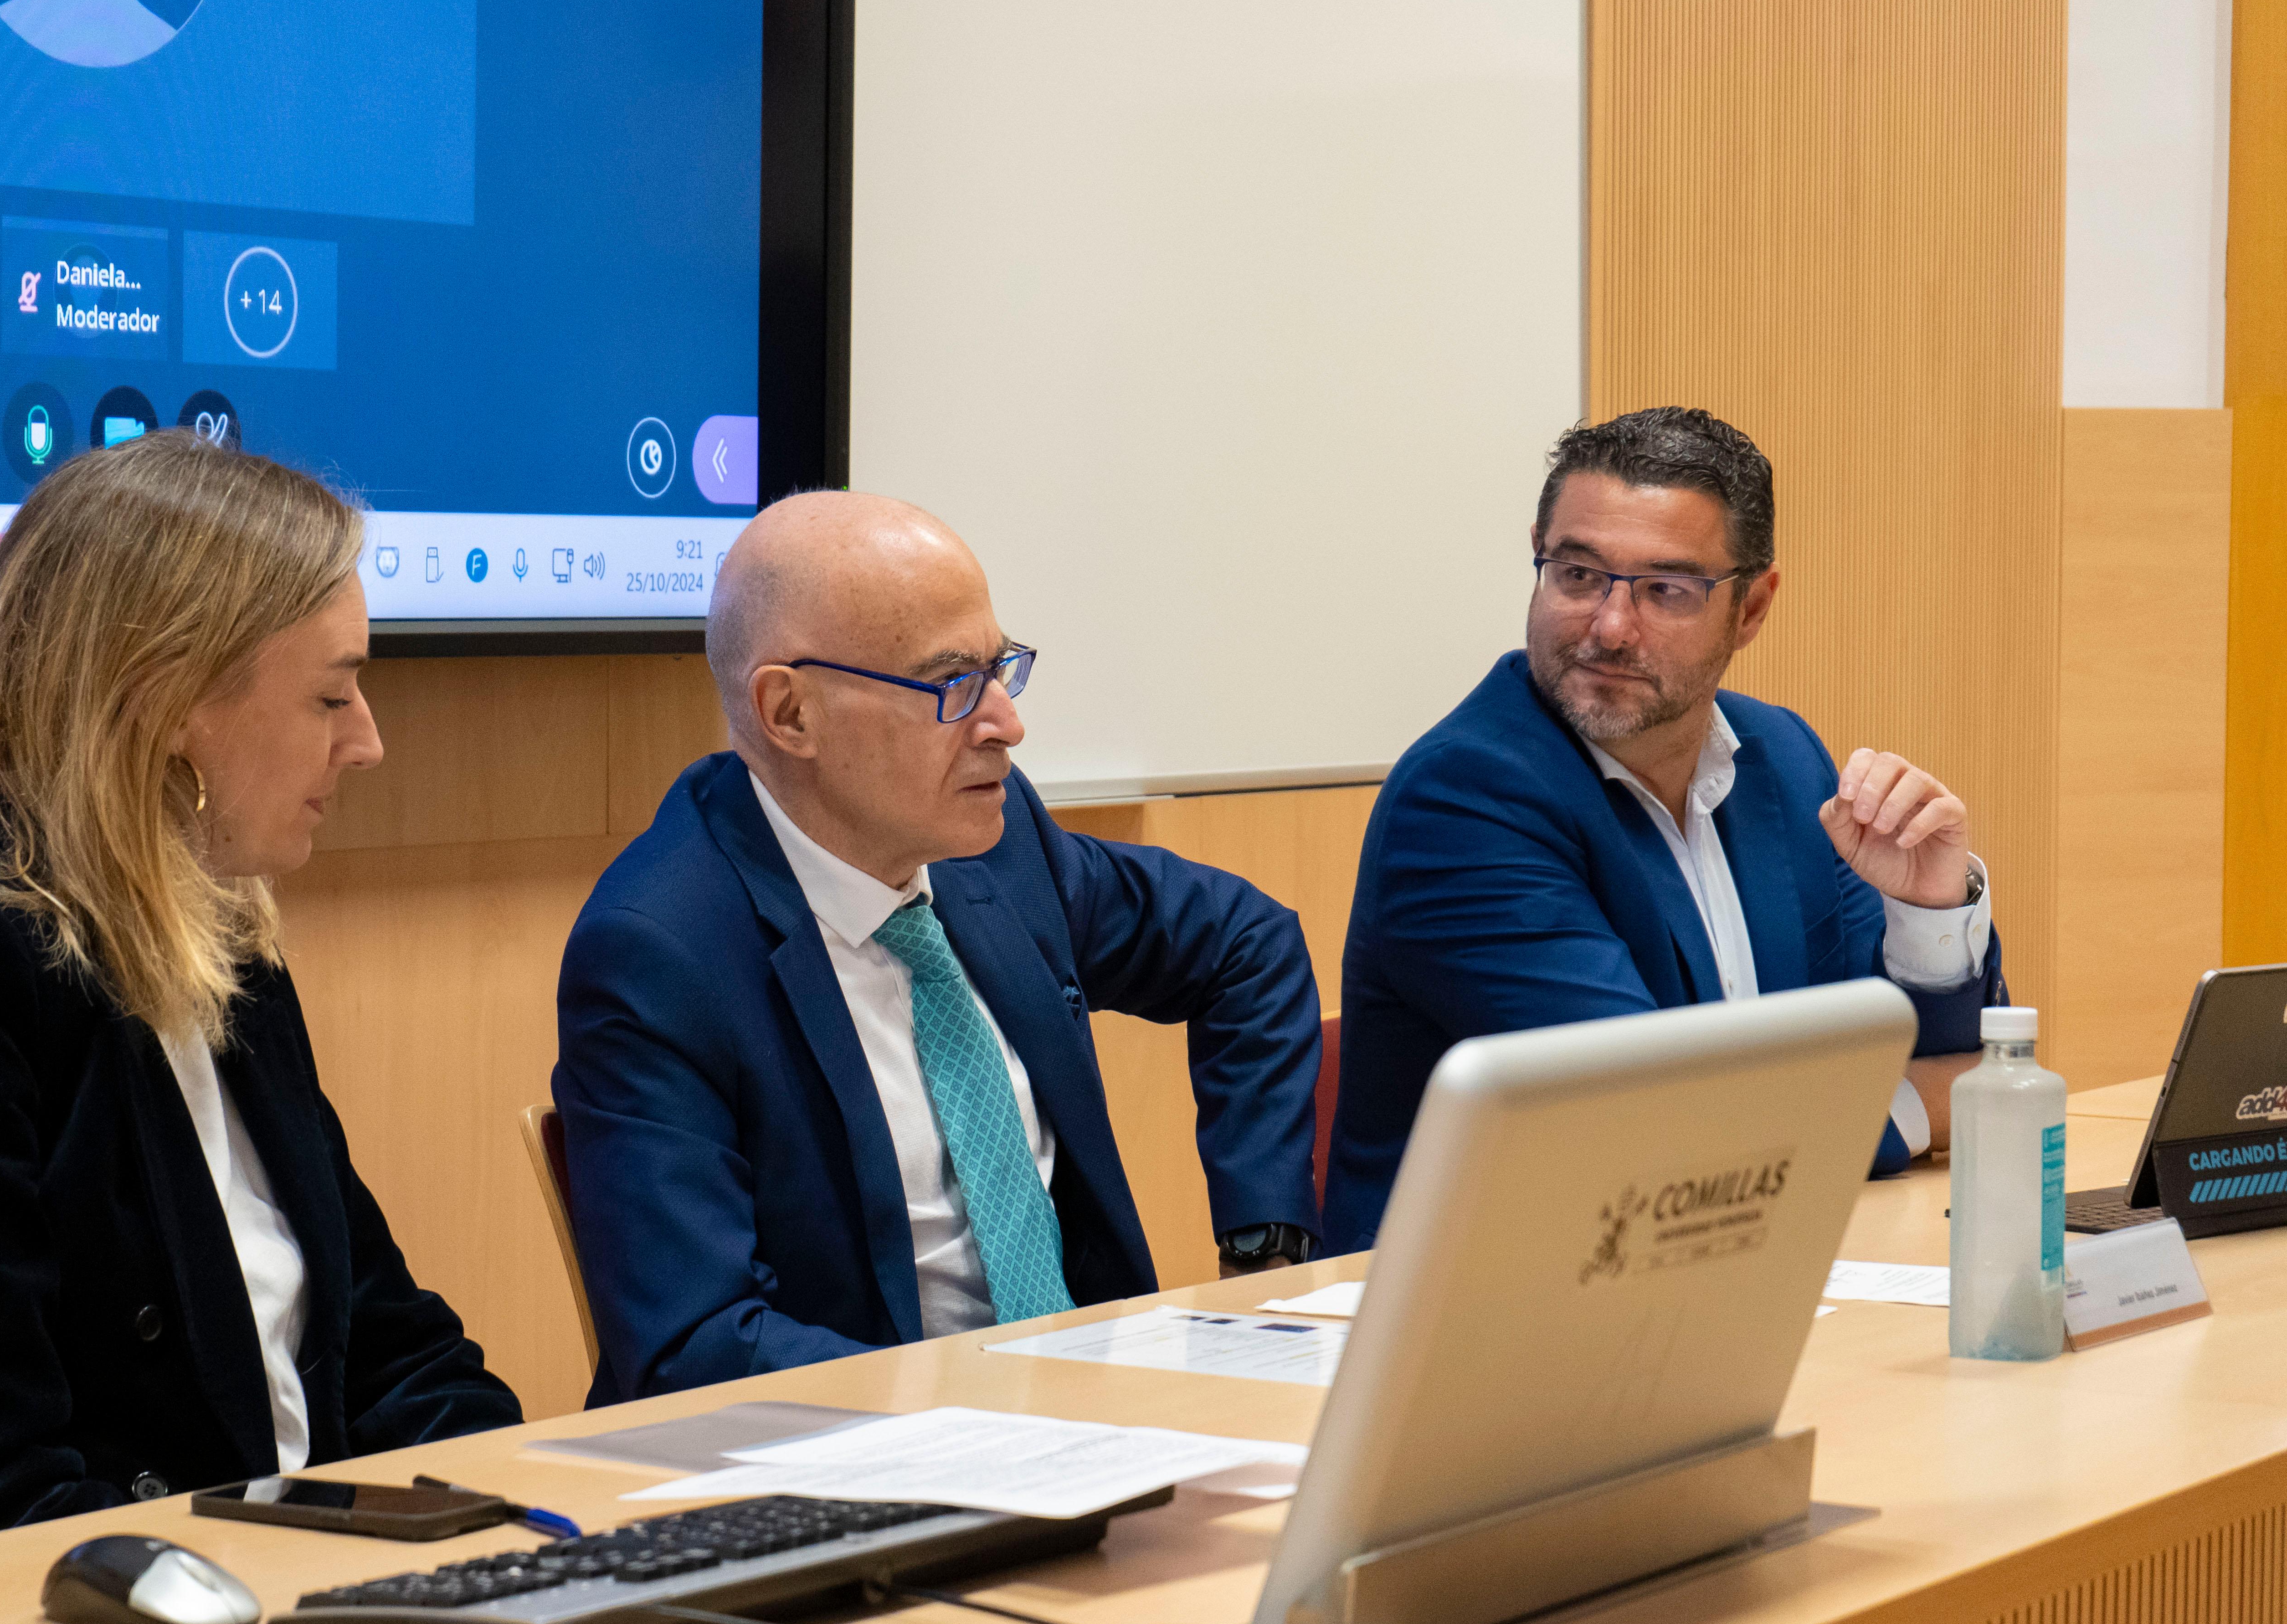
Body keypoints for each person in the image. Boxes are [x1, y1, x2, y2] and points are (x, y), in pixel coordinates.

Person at [0, 432, 519, 1594]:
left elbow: (384, 1337)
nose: (367, 740)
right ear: (172, 699)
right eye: (331, 693)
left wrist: (522, 1509)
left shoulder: (225, 944)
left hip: (239, 1595)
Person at [554, 491, 1324, 1404]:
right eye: (953, 683)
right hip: (858, 1477)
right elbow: (697, 1345)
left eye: (1002, 669)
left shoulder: (995, 844)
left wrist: (1262, 1252)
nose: (1006, 723)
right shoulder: (658, 954)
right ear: (789, 712)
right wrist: (982, 1406)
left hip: (1104, 1429)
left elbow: (1248, 943)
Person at [1324, 406, 2004, 1252]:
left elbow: (1931, 1044)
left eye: (1666, 591)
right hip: (1496, 1303)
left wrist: (1930, 911)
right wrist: (1923, 1105)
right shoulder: (1464, 801)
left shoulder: (1783, 759)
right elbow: (1655, 1121)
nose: (1610, 627)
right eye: (1578, 575)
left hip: (1733, 1263)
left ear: (1751, 610)